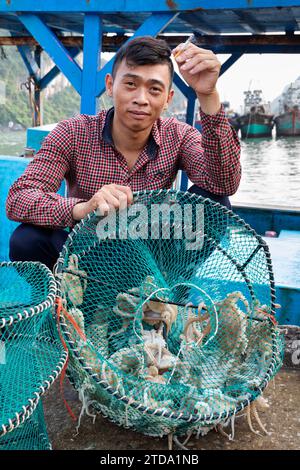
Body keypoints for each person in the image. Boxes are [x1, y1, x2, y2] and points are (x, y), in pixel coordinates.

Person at [6, 36, 241, 271]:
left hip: (154, 261)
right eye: (130, 84)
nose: (141, 99)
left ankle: (169, 286)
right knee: (27, 239)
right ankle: (67, 299)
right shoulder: (73, 132)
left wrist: (208, 95)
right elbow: (19, 197)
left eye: (154, 89)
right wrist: (84, 208)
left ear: (168, 99)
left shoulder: (179, 136)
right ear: (110, 85)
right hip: (88, 256)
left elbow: (224, 184)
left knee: (216, 203)